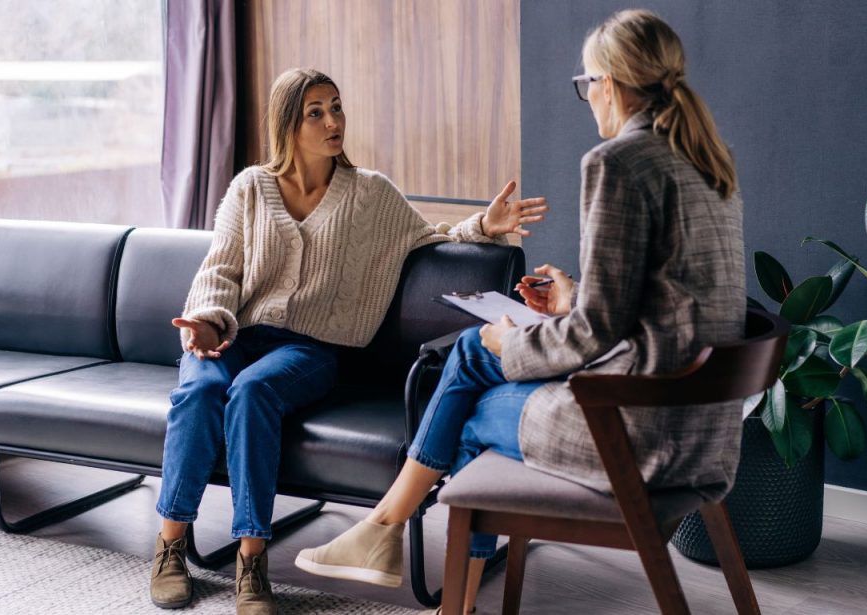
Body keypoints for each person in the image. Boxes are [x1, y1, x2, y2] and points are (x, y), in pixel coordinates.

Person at [295, 9, 745, 615]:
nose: (588, 99)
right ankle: (398, 544)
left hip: (635, 435)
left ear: (609, 83)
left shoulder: (617, 162)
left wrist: (517, 344)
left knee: (471, 397)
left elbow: (596, 335)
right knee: (472, 356)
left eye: (588, 85)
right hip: (700, 432)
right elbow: (666, 302)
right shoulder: (707, 163)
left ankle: (408, 555)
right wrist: (572, 296)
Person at [148, 68, 548, 615]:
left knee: (252, 393)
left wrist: (483, 224)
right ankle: (170, 544)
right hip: (233, 333)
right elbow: (221, 270)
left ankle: (252, 557)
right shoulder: (249, 187)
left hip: (309, 349)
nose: (333, 121)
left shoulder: (369, 194)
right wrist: (208, 322)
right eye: (316, 112)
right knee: (198, 393)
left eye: (336, 107)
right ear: (288, 123)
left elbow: (428, 238)